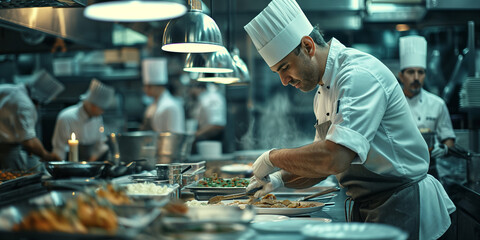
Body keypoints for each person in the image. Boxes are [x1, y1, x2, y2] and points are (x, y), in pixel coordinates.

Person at [243, 0, 455, 239]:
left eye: (285, 67)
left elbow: (335, 158)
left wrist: (272, 157)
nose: (283, 80)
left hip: (403, 203)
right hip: (370, 205)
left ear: (308, 46)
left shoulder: (358, 76)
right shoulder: (322, 93)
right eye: (277, 72)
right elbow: (319, 167)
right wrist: (278, 180)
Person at [398, 35, 456, 178]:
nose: (416, 77)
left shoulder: (437, 104)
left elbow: (448, 138)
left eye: (421, 72)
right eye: (411, 72)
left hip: (431, 172)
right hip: (400, 172)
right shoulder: (392, 104)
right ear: (401, 75)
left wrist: (444, 148)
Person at [0, 69, 64, 170]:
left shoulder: (9, 89)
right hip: (6, 151)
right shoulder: (24, 104)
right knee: (12, 181)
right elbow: (29, 141)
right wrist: (47, 156)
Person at [52, 79, 115, 162]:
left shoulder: (97, 118)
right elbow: (59, 150)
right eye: (101, 109)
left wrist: (90, 162)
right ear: (93, 105)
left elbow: (100, 145)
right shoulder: (66, 117)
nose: (102, 112)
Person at [139, 58, 185, 134]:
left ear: (159, 86)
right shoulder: (152, 106)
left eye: (149, 86)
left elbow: (174, 135)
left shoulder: (171, 106)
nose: (145, 89)